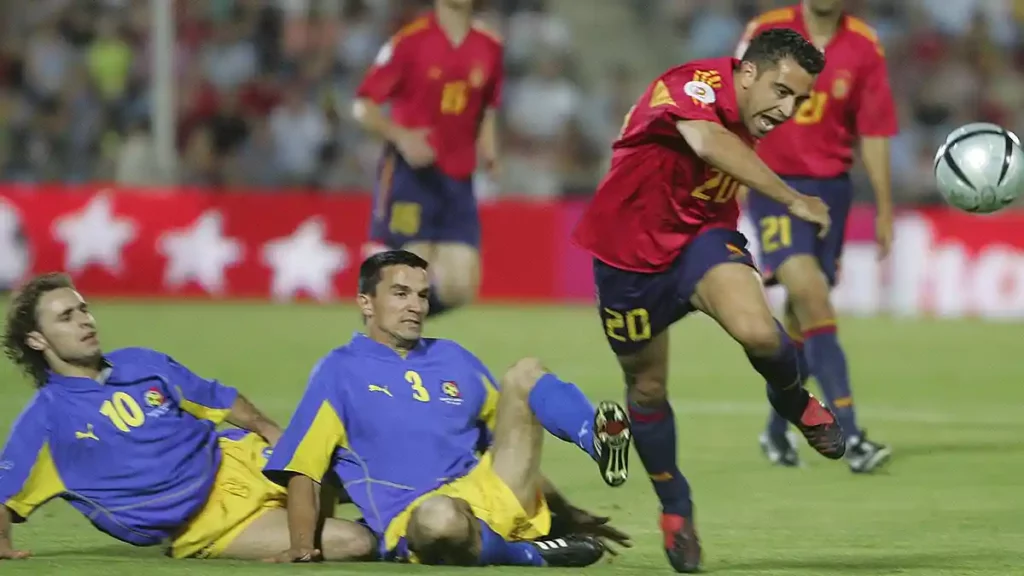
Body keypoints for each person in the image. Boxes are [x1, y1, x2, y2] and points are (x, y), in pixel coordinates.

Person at [571, 29, 846, 573]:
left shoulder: (753, 110)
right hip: (627, 257)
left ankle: (792, 401)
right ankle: (676, 509)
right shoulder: (693, 86)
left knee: (761, 331)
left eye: (798, 100)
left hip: (701, 238)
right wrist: (791, 198)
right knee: (646, 388)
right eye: (781, 91)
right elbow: (706, 143)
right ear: (747, 73)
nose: (787, 109)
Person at [262, 250, 633, 567]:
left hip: (492, 491)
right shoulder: (338, 371)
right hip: (420, 519)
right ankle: (530, 554)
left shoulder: (453, 357)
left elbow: (507, 446)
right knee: (439, 517)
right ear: (366, 302)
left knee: (525, 373)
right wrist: (301, 545)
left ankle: (597, 439)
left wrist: (568, 513)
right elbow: (303, 470)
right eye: (401, 293)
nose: (415, 306)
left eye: (422, 296)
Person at [0, 273, 375, 561]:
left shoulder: (140, 362)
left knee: (369, 464)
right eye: (67, 316)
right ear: (37, 340)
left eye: (84, 309)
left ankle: (405, 516)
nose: (85, 321)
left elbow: (220, 399)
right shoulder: (46, 422)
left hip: (238, 460)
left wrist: (269, 430)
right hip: (209, 525)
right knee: (355, 542)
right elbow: (3, 495)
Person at [735, 0, 896, 473]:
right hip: (775, 186)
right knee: (812, 296)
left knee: (803, 319)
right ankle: (851, 433)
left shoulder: (865, 46)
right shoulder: (767, 31)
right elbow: (734, 100)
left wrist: (884, 207)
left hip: (832, 193)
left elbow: (875, 130)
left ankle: (775, 428)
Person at [353, 0, 503, 318]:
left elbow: (487, 105)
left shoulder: (489, 46)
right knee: (408, 275)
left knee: (461, 285)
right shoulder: (409, 41)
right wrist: (402, 136)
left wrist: (488, 149)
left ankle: (391, 321)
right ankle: (390, 330)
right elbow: (363, 106)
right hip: (411, 176)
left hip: (459, 178)